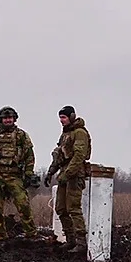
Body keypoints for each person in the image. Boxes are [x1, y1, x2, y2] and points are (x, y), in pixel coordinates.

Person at [0, 106, 40, 241]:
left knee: (23, 205)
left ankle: (31, 234)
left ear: (14, 119)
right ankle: (1, 236)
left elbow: (29, 156)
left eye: (10, 118)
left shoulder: (21, 135)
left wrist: (28, 174)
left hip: (14, 175)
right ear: (1, 119)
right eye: (5, 118)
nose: (8, 120)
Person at [44, 105, 92, 253]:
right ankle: (70, 240)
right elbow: (59, 156)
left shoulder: (79, 133)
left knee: (74, 208)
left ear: (71, 116)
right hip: (64, 174)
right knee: (60, 208)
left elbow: (79, 156)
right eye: (60, 118)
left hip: (75, 174)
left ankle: (81, 243)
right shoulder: (66, 134)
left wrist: (67, 174)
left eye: (64, 117)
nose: (61, 121)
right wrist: (51, 172)